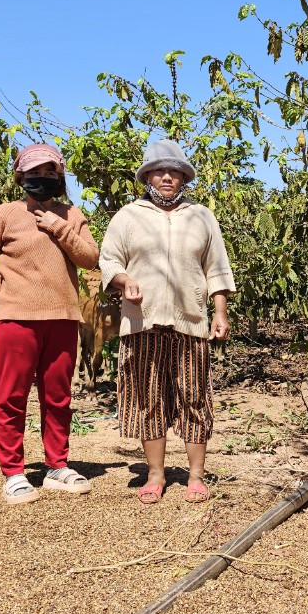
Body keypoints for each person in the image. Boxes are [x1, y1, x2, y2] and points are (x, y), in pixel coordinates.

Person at [99, 139, 235, 504]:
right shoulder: (128, 216)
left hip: (190, 322)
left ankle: (195, 475)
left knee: (194, 395)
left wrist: (219, 311)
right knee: (149, 398)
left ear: (184, 177)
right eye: (159, 171)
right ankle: (155, 474)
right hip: (143, 323)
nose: (167, 178)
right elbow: (109, 260)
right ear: (147, 176)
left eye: (174, 171)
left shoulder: (202, 216)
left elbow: (216, 268)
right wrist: (124, 281)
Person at [0, 143, 99, 504]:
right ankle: (13, 472)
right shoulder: (5, 214)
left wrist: (59, 227)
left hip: (62, 318)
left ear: (60, 176)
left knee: (58, 397)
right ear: (20, 176)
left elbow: (90, 259)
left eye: (49, 172)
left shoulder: (72, 214)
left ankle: (57, 466)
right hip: (17, 320)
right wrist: (9, 292)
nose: (42, 178)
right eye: (34, 172)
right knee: (12, 397)